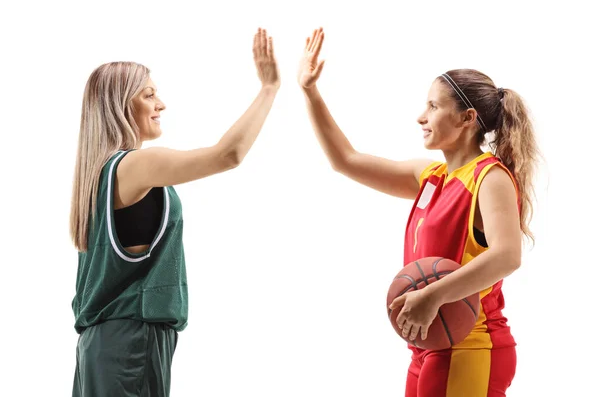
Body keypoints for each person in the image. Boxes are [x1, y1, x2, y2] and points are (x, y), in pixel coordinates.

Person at [298, 27, 539, 397]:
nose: (421, 116)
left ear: (466, 118)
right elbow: (345, 160)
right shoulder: (432, 177)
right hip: (430, 346)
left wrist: (432, 296)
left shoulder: (489, 178)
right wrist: (310, 92)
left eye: (433, 106)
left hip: (470, 345)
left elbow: (507, 256)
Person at [69, 28, 280, 397]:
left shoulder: (98, 175)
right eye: (149, 95)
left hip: (102, 346)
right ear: (121, 105)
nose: (160, 104)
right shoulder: (135, 166)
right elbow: (227, 155)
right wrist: (268, 88)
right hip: (129, 342)